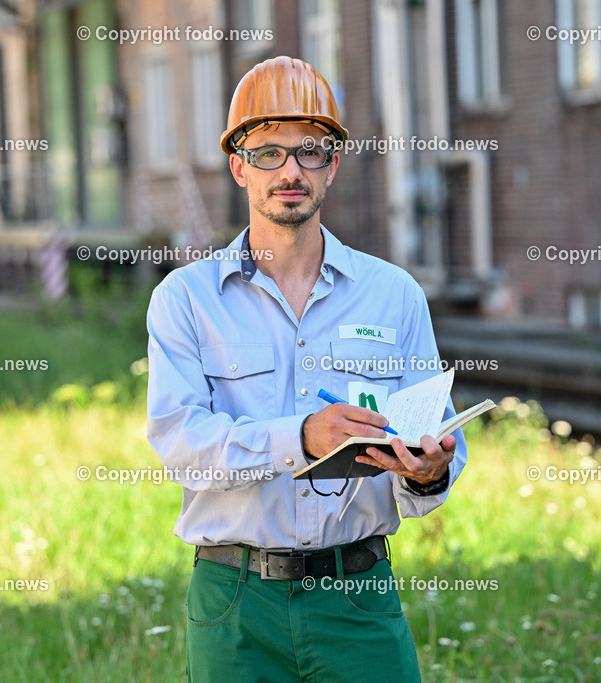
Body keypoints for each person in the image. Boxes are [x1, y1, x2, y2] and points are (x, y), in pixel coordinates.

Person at [146, 55, 467, 682]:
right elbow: (180, 445)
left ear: (333, 165)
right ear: (238, 165)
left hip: (359, 597)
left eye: (310, 152)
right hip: (235, 604)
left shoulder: (394, 295)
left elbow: (437, 439)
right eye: (269, 153)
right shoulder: (186, 299)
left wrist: (430, 473)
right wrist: (300, 438)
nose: (290, 171)